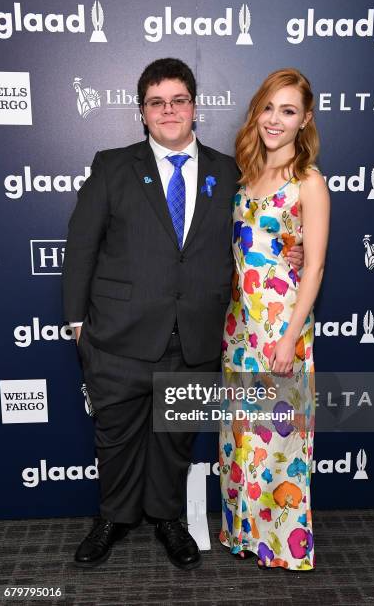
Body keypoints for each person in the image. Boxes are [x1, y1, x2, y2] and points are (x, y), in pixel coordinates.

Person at [63, 58, 303, 570]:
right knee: (117, 437)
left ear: (195, 107)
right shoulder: (112, 165)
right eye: (156, 102)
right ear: (142, 113)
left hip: (194, 336)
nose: (168, 110)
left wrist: (293, 252)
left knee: (174, 442)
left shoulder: (230, 171)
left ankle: (167, 519)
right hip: (118, 336)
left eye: (178, 100)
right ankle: (112, 518)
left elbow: (258, 235)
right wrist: (76, 322)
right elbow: (81, 246)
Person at [219, 68, 330, 571]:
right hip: (240, 326)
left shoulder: (309, 182)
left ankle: (282, 547)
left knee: (279, 443)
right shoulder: (249, 174)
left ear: (305, 119)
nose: (275, 120)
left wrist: (289, 339)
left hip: (280, 329)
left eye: (288, 111)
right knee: (242, 437)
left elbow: (317, 266)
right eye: (268, 107)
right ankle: (243, 534)